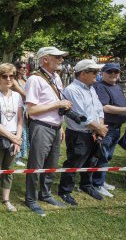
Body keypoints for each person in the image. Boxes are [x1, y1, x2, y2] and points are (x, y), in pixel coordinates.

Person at [24, 46, 72, 216]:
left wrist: (61, 125)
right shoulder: (34, 80)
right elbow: (31, 110)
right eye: (57, 57)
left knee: (51, 164)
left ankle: (45, 194)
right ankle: (30, 199)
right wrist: (58, 105)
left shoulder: (56, 77)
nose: (61, 60)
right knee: (36, 165)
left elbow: (59, 103)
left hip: (55, 127)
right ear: (45, 59)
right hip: (41, 127)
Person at [58, 59, 107, 205]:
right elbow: (82, 116)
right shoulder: (72, 90)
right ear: (83, 73)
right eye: (94, 72)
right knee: (74, 162)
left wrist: (100, 127)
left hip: (94, 132)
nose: (97, 75)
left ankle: (86, 185)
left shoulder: (91, 88)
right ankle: (65, 191)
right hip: (79, 134)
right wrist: (99, 129)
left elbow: (99, 109)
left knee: (92, 160)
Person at [0, 63, 23, 215]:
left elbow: (20, 119)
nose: (8, 79)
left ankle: (6, 199)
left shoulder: (18, 96)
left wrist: (17, 138)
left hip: (13, 138)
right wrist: (13, 137)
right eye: (5, 76)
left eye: (12, 76)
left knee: (9, 170)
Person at [91, 63, 126, 197]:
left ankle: (100, 180)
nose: (113, 74)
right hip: (106, 127)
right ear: (103, 73)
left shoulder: (116, 86)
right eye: (109, 71)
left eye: (116, 72)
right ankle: (97, 183)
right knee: (102, 155)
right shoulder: (100, 86)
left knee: (108, 156)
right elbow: (105, 107)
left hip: (116, 128)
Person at [13, 61, 29, 167]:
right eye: (22, 68)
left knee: (26, 131)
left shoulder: (26, 79)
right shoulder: (14, 81)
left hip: (28, 107)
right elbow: (23, 93)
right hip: (19, 107)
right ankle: (16, 156)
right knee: (20, 131)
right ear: (17, 69)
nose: (24, 69)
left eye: (25, 67)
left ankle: (23, 153)